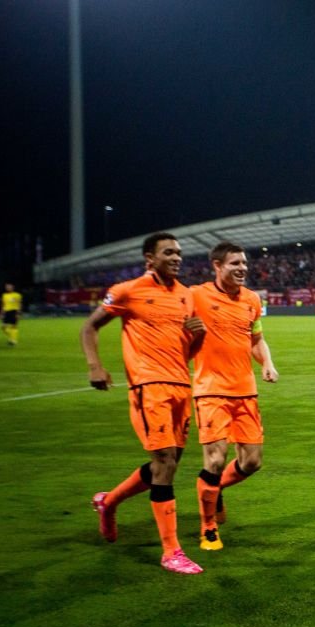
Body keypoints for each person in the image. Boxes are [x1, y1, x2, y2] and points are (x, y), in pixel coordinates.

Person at [83, 232, 206, 574]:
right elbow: (89, 328)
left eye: (179, 252)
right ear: (149, 258)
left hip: (181, 384)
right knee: (164, 462)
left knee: (164, 468)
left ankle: (108, 502)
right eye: (169, 252)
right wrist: (95, 365)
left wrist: (199, 337)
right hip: (148, 386)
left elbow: (187, 353)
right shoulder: (127, 291)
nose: (177, 258)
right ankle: (171, 551)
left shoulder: (185, 296)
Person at [190, 241, 279, 551]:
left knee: (252, 462)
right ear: (217, 266)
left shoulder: (252, 300)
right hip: (210, 390)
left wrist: (266, 363)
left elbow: (257, 339)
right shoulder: (196, 296)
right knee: (214, 459)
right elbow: (177, 330)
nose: (242, 268)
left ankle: (214, 489)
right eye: (234, 264)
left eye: (244, 263)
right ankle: (208, 528)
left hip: (245, 391)